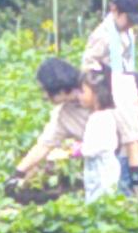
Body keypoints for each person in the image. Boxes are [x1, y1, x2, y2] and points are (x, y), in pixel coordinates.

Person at [10, 57, 93, 187]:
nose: (44, 96)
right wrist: (18, 173)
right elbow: (44, 145)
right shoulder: (63, 115)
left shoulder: (100, 92)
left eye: (45, 91)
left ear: (59, 89)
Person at [83, 0, 138, 75]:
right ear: (115, 10)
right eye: (129, 20)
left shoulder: (128, 33)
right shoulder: (102, 36)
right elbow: (88, 66)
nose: (131, 24)